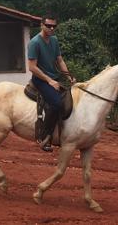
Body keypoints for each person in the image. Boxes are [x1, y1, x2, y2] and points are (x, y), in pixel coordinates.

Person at [28, 14, 75, 152]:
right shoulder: (35, 43)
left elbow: (59, 60)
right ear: (42, 25)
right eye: (48, 25)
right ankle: (45, 137)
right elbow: (32, 67)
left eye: (54, 26)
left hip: (54, 78)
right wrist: (49, 81)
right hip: (40, 79)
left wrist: (68, 75)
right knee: (56, 103)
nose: (51, 28)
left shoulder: (54, 40)